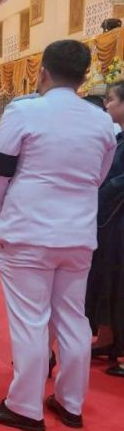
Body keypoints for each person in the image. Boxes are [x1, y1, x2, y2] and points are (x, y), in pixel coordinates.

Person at [0, 40, 117, 431]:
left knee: (30, 319)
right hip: (78, 234)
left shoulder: (25, 110)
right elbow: (99, 175)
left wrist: (1, 216)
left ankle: (24, 405)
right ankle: (71, 403)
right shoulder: (101, 121)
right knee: (73, 318)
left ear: (42, 71)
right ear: (84, 76)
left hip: (29, 230)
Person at [85, 79, 124, 376]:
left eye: (111, 99)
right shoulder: (118, 136)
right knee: (108, 277)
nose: (107, 104)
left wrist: (102, 191)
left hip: (118, 216)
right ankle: (108, 338)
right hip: (111, 219)